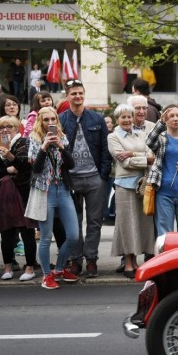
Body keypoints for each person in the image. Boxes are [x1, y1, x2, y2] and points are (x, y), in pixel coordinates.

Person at [57, 79, 111, 278]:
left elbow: (105, 150)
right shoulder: (60, 119)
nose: (77, 97)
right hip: (70, 179)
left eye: (80, 93)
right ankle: (76, 260)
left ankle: (91, 260)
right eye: (73, 94)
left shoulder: (96, 119)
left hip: (95, 178)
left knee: (95, 221)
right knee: (73, 223)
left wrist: (103, 175)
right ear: (67, 96)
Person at [28, 107, 80, 289]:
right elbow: (35, 168)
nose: (50, 123)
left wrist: (60, 146)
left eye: (53, 119)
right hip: (45, 191)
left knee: (73, 235)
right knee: (46, 237)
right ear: (40, 121)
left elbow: (71, 164)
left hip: (63, 189)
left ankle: (59, 269)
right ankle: (46, 275)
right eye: (46, 119)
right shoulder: (34, 139)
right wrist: (44, 147)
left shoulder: (62, 137)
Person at [107, 104, 155, 278]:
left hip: (144, 186)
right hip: (124, 186)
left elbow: (153, 157)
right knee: (127, 225)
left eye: (129, 116)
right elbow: (124, 163)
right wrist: (142, 158)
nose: (127, 120)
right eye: (123, 117)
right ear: (117, 120)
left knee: (142, 225)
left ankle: (137, 262)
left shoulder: (142, 134)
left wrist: (132, 154)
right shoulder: (113, 137)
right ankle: (128, 262)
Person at [0, 115, 38, 281]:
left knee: (27, 230)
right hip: (3, 193)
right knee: (6, 231)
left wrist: (11, 158)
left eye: (9, 126)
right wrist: (9, 169)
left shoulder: (23, 142)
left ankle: (30, 268)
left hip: (22, 192)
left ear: (17, 128)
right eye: (1, 127)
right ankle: (7, 268)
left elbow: (25, 166)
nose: (5, 130)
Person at [145, 105, 178, 238]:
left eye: (177, 115)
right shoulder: (162, 138)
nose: (175, 119)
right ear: (166, 120)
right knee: (165, 233)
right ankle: (166, 258)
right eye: (171, 116)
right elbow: (149, 141)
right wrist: (160, 122)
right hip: (164, 193)